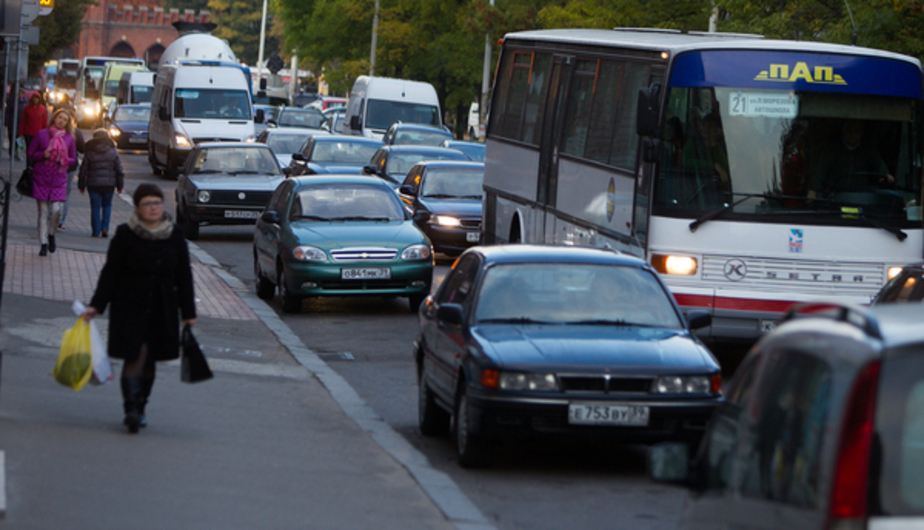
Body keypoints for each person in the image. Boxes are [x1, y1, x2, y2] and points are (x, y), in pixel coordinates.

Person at [80, 184, 197, 434]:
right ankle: (131, 408)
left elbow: (184, 275)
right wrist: (96, 305)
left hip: (162, 306)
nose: (153, 208)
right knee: (136, 354)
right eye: (147, 203)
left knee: (150, 358)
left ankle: (141, 405)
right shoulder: (125, 234)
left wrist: (188, 313)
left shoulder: (175, 234)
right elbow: (110, 273)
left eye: (157, 202)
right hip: (129, 305)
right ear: (137, 208)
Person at [28, 109, 76, 256]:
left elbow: (74, 158)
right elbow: (30, 154)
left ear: (67, 124)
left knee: (56, 210)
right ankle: (43, 243)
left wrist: (65, 159)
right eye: (59, 118)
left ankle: (51, 233)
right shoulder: (41, 134)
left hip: (58, 179)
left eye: (65, 119)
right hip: (41, 178)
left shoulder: (69, 138)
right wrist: (43, 155)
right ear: (54, 119)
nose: (61, 121)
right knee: (42, 212)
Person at [807, 119, 894, 199]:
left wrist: (885, 174)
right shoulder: (832, 147)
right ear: (843, 130)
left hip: (860, 195)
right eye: (849, 129)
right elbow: (821, 168)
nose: (852, 134)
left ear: (861, 132)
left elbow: (878, 163)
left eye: (856, 130)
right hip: (835, 195)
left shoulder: (868, 148)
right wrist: (813, 190)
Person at [78, 129, 124, 237]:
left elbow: (83, 170)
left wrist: (81, 185)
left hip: (93, 184)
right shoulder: (113, 151)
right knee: (107, 206)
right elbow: (119, 170)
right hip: (109, 184)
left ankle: (95, 231)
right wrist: (120, 185)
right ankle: (105, 228)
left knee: (95, 207)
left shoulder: (89, 152)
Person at [59, 109, 86, 232]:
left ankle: (53, 216)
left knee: (54, 189)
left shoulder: (55, 132)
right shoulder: (77, 132)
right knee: (66, 192)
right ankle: (62, 219)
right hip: (70, 166)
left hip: (58, 165)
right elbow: (82, 149)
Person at [5, 89, 26, 159]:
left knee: (19, 140)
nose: (20, 95)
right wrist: (6, 122)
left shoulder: (25, 103)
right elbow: (8, 112)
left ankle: (18, 153)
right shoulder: (12, 101)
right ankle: (11, 153)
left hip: (20, 124)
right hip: (12, 123)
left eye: (21, 94)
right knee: (11, 139)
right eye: (19, 94)